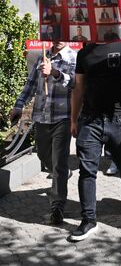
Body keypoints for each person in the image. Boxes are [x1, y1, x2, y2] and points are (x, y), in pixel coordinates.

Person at [68, 40, 121, 241]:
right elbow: (78, 88)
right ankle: (89, 220)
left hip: (119, 120)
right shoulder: (84, 53)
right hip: (90, 120)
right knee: (87, 169)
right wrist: (74, 119)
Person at [10, 41, 77, 225]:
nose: (58, 38)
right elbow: (30, 84)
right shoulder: (43, 56)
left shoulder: (74, 58)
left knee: (59, 164)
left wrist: (55, 72)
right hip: (41, 116)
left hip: (63, 117)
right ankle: (63, 174)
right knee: (42, 155)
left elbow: (75, 84)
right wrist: (18, 105)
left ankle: (57, 206)